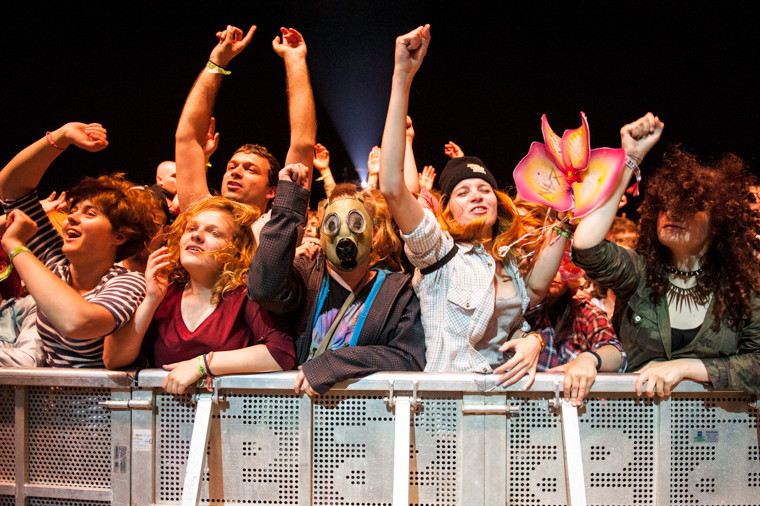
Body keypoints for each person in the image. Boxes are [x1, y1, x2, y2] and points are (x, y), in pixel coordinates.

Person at [378, 25, 568, 389]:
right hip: (448, 409)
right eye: (463, 192)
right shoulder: (438, 252)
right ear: (447, 211)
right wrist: (402, 76)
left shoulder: (509, 262)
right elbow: (392, 188)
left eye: (485, 189)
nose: (478, 195)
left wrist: (534, 339)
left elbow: (537, 293)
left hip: (507, 405)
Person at [573, 113, 760, 395]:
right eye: (664, 204)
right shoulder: (639, 271)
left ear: (719, 220)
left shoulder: (742, 284)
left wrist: (687, 367)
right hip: (635, 426)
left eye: (689, 206)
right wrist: (630, 160)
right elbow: (586, 246)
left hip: (715, 431)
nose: (671, 212)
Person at [247, 163, 425, 396]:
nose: (344, 233)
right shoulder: (305, 277)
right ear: (320, 234)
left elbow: (409, 357)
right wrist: (288, 205)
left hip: (363, 418)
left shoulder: (397, 292)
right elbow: (263, 289)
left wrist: (338, 363)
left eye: (356, 224)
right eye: (332, 225)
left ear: (374, 233)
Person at [0, 122, 158, 367]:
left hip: (103, 405)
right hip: (49, 404)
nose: (71, 217)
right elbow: (11, 190)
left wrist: (16, 246)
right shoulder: (57, 265)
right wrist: (60, 137)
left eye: (90, 213)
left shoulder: (128, 282)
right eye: (73, 210)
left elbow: (80, 323)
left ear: (120, 236)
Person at [107, 196, 296, 393]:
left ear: (236, 250)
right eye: (191, 229)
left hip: (230, 419)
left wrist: (202, 365)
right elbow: (114, 360)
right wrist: (151, 299)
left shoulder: (245, 293)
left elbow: (281, 352)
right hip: (167, 420)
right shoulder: (164, 291)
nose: (196, 236)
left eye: (215, 233)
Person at [174, 24, 316, 242]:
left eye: (251, 170)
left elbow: (302, 145)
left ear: (273, 191)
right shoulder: (203, 215)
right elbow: (187, 139)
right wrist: (217, 63)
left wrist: (294, 60)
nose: (235, 172)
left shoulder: (277, 229)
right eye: (232, 166)